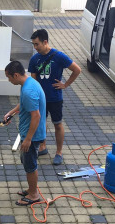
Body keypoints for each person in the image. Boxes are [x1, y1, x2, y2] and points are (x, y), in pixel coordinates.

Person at [28, 29, 81, 165]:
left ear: (45, 42)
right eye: (33, 44)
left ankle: (59, 152)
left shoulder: (59, 56)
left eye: (37, 44)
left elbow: (77, 69)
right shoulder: (34, 59)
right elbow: (33, 81)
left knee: (57, 124)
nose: (35, 47)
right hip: (41, 99)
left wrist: (66, 84)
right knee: (41, 123)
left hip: (55, 98)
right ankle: (42, 146)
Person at [4, 61, 46, 206]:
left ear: (15, 75)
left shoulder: (28, 91)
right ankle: (31, 188)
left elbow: (36, 116)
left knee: (30, 165)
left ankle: (34, 195)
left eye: (9, 77)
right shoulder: (29, 83)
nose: (9, 81)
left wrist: (28, 139)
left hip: (32, 136)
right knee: (26, 161)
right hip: (28, 133)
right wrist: (11, 112)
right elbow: (23, 104)